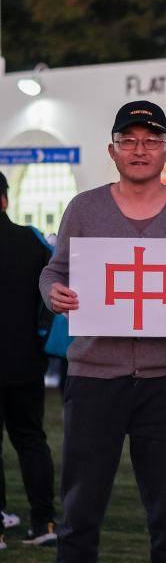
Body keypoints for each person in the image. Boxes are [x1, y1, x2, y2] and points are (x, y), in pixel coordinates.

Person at [38, 100, 166, 563]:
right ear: (113, 150)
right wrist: (53, 292)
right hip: (94, 375)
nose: (140, 150)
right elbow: (53, 271)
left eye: (151, 141)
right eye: (129, 141)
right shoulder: (84, 208)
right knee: (80, 513)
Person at [0, 171, 58, 549]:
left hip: (21, 359)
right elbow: (51, 301)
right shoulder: (33, 241)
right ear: (4, 199)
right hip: (23, 361)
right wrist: (38, 342)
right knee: (31, 440)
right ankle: (45, 523)